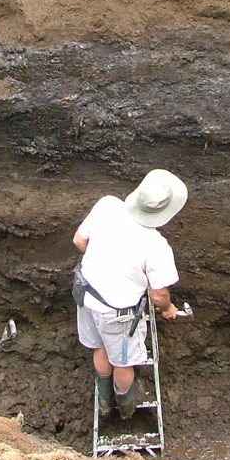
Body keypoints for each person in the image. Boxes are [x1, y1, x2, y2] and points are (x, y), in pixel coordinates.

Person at [72, 169, 187, 419]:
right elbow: (158, 295)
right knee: (123, 364)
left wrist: (104, 261)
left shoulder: (107, 205)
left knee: (100, 348)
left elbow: (79, 242)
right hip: (118, 315)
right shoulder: (156, 245)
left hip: (86, 295)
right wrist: (167, 309)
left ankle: (104, 404)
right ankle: (123, 411)